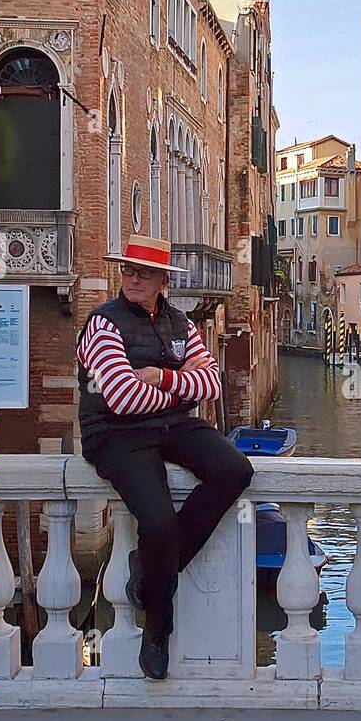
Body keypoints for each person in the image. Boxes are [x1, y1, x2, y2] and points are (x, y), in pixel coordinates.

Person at [76, 235, 254, 680]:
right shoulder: (103, 325)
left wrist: (160, 377)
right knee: (156, 522)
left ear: (162, 281)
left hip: (171, 424)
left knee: (235, 470)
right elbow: (120, 398)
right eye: (129, 270)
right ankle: (157, 628)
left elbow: (212, 382)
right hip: (115, 435)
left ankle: (151, 570)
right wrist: (180, 387)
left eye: (144, 273)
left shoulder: (181, 324)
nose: (134, 279)